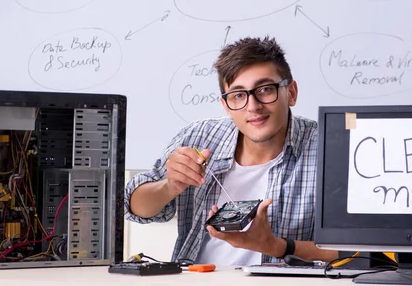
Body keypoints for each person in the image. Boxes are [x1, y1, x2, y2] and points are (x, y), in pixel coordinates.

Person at [124, 36, 337, 265]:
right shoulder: (199, 136)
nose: (253, 106)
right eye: (238, 95)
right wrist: (169, 186)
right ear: (226, 105)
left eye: (265, 89)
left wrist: (277, 247)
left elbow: (359, 252)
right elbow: (135, 208)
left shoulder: (328, 149)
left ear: (291, 93)